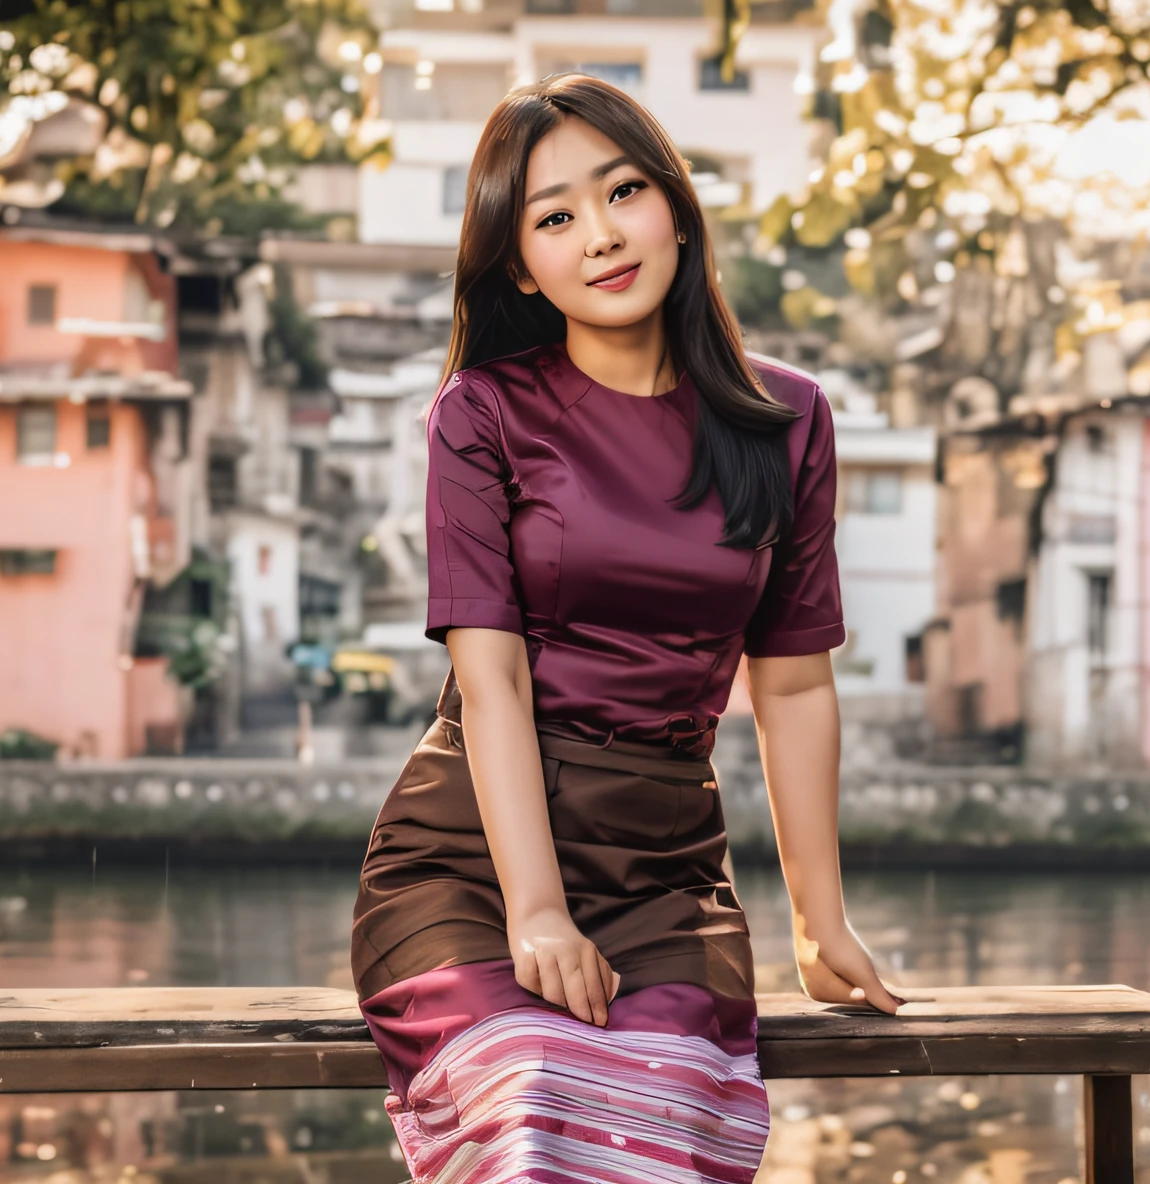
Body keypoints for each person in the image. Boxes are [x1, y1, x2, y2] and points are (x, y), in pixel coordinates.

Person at [351, 72, 903, 1183]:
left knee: (661, 1110)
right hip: (471, 861)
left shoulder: (785, 419)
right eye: (553, 218)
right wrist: (538, 912)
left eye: (623, 192)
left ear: (674, 207)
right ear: (519, 264)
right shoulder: (481, 413)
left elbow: (791, 685)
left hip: (666, 869)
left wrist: (817, 919)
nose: (599, 236)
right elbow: (492, 685)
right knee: (532, 1079)